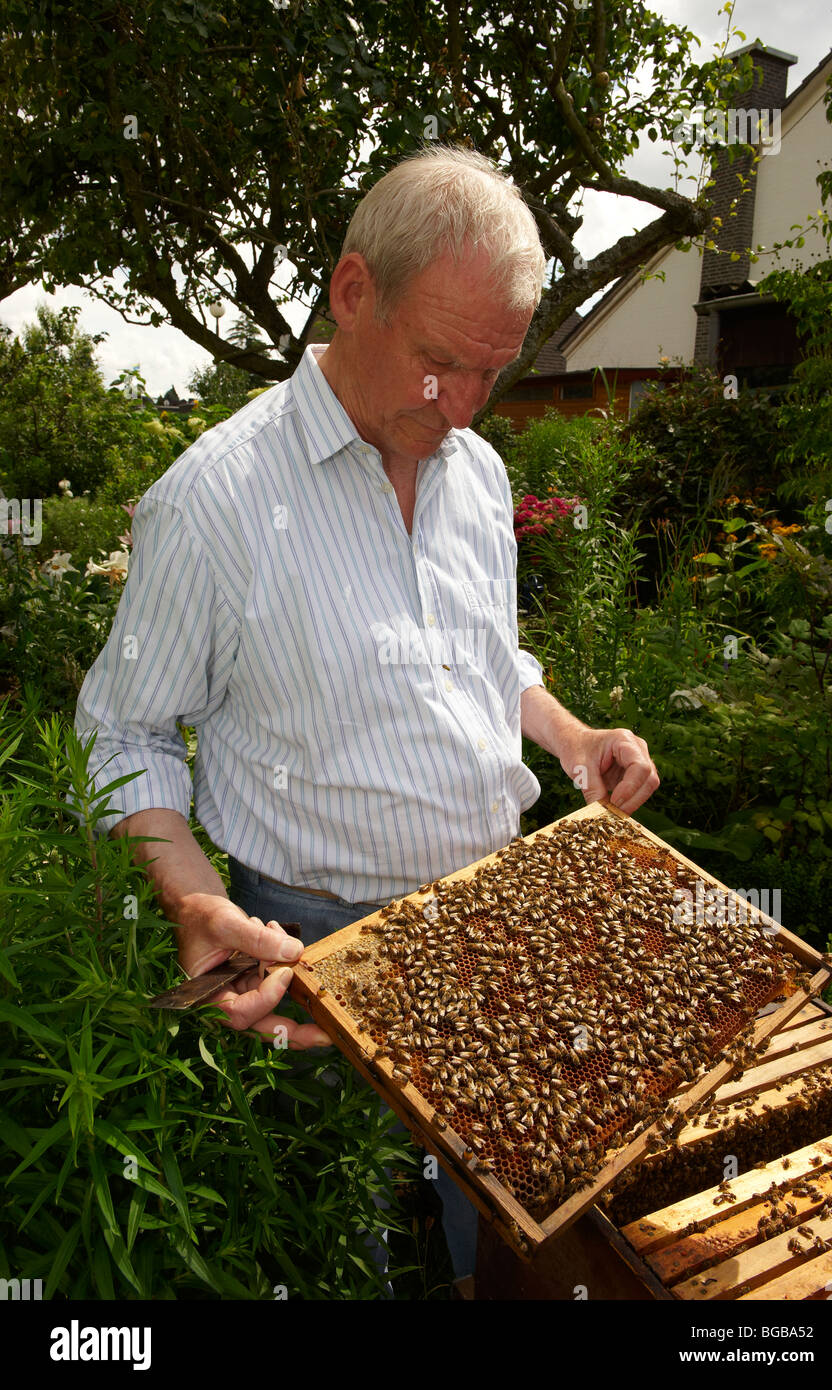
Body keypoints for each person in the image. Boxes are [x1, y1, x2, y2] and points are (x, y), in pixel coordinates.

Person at [70, 145, 659, 1287]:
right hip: (315, 942)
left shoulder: (478, 475)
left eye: (494, 368)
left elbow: (485, 662)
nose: (467, 403)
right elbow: (126, 732)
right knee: (341, 1242)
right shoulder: (216, 498)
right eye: (442, 360)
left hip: (493, 913)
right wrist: (191, 897)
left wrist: (574, 737)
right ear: (353, 293)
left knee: (507, 1228)